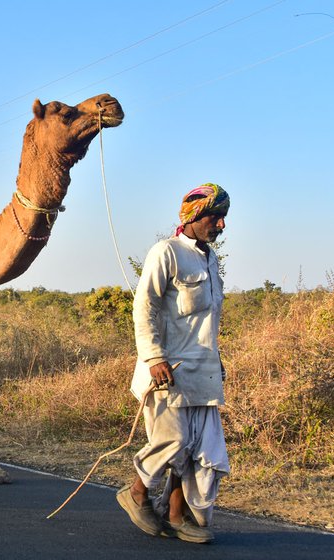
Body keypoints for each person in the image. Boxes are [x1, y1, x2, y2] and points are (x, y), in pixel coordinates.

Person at [116, 183, 231, 544]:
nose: (221, 225)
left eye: (224, 218)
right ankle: (136, 493)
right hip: (168, 370)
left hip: (203, 369)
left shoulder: (210, 259)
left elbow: (206, 321)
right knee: (173, 440)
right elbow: (145, 305)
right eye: (216, 217)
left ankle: (176, 514)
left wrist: (217, 360)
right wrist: (154, 357)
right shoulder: (166, 252)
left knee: (195, 448)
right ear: (194, 216)